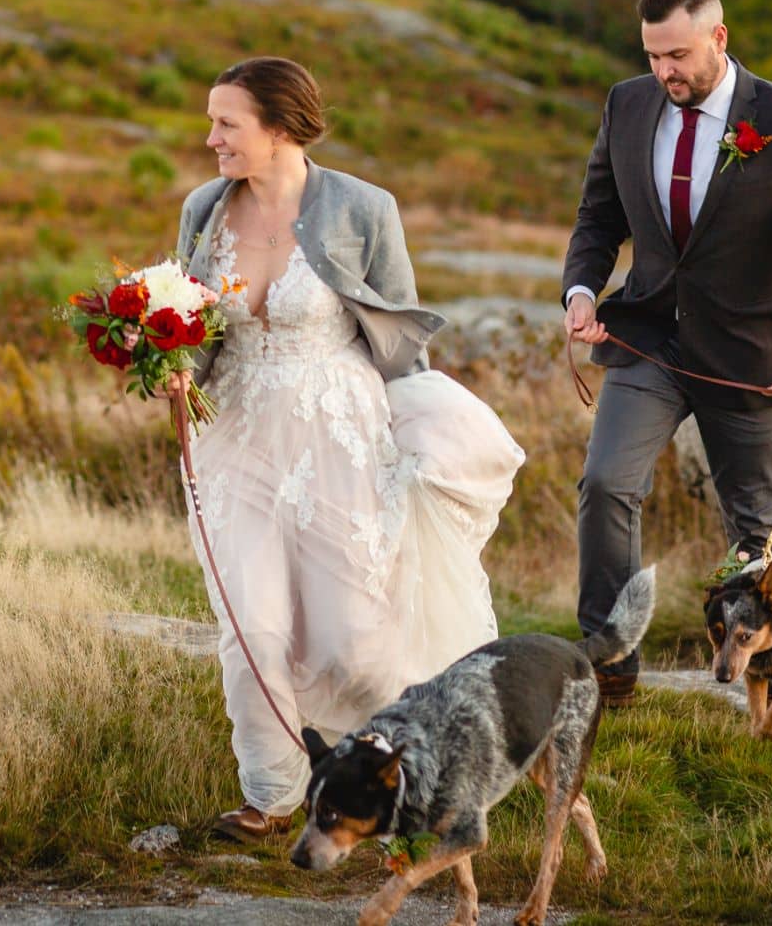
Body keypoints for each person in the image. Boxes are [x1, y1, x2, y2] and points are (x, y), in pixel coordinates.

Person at [167, 56, 522, 841]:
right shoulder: (204, 208)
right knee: (250, 624)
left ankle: (408, 772)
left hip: (338, 437)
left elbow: (400, 340)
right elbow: (191, 327)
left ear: (280, 127)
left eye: (227, 123)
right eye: (212, 120)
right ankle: (270, 795)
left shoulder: (364, 208)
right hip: (232, 438)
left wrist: (424, 439)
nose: (211, 137)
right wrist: (167, 371)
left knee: (352, 638)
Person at [561, 0, 772, 709]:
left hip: (754, 361)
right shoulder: (628, 104)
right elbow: (599, 217)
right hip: (650, 342)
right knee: (606, 485)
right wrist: (579, 290)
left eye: (679, 55)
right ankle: (610, 664)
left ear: (719, 39)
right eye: (652, 55)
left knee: (757, 536)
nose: (664, 71)